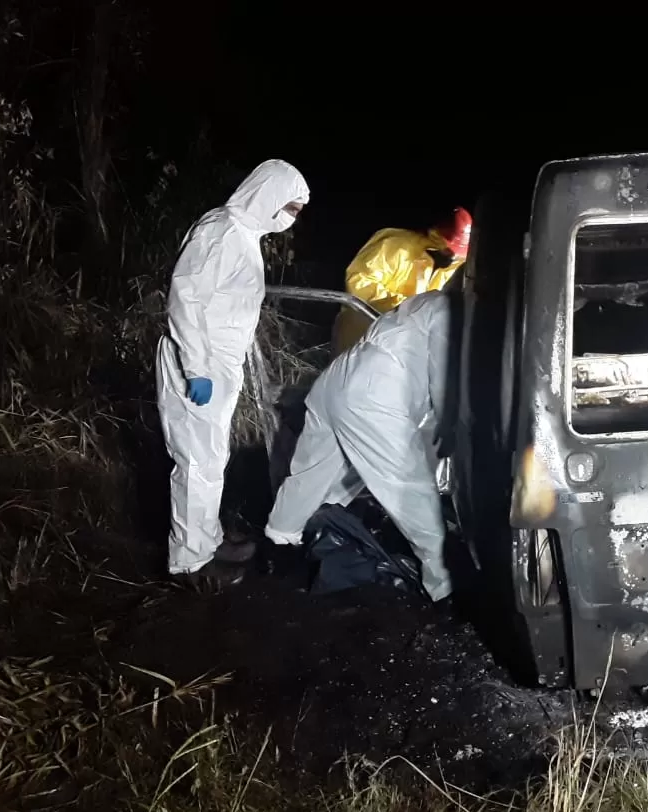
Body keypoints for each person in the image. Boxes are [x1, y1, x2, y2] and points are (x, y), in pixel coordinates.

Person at [156, 159, 311, 585]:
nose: (290, 219)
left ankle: (207, 540)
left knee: (211, 459)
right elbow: (185, 298)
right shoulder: (220, 231)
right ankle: (190, 564)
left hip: (218, 363)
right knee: (195, 462)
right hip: (199, 361)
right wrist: (196, 367)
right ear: (268, 196)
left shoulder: (244, 237)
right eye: (290, 208)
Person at [264, 289, 455, 602]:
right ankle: (444, 584)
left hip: (339, 378)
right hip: (377, 392)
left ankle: (279, 544)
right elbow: (445, 375)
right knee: (410, 489)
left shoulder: (432, 299)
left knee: (311, 474)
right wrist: (452, 424)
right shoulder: (454, 312)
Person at [331, 207, 472, 354]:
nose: (453, 256)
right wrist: (407, 308)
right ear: (436, 237)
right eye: (450, 250)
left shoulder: (450, 269)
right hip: (360, 336)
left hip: (401, 346)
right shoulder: (394, 245)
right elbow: (360, 283)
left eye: (458, 254)